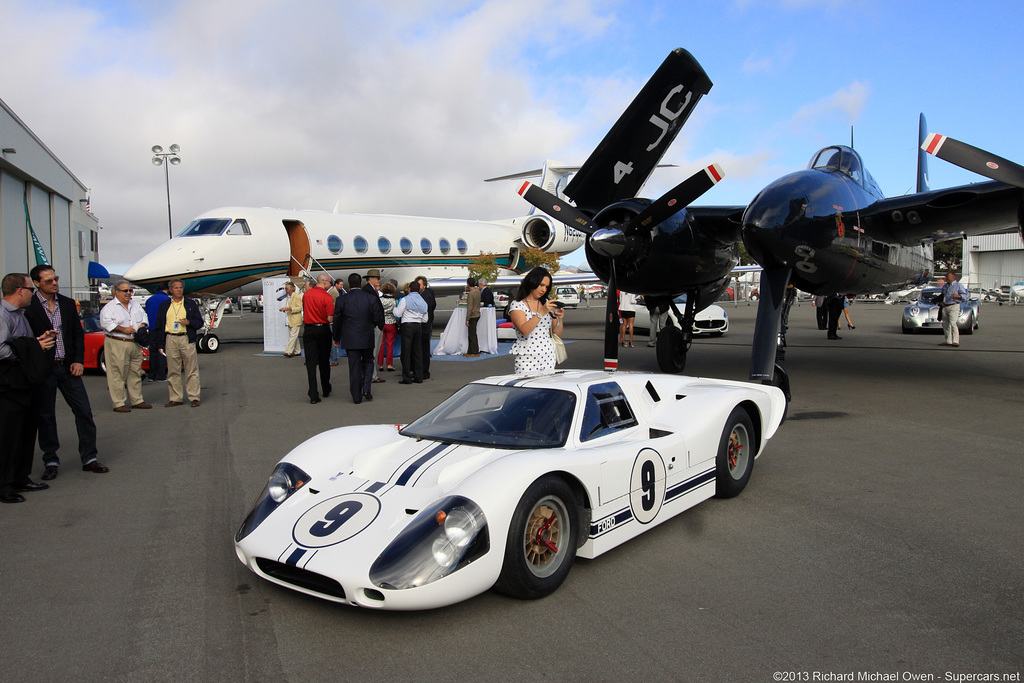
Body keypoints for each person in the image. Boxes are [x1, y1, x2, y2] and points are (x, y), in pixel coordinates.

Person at [26, 265, 107, 479]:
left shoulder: (68, 304)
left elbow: (77, 335)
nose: (54, 283)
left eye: (55, 279)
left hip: (69, 368)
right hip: (45, 370)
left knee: (84, 412)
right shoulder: (30, 307)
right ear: (37, 283)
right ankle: (51, 460)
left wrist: (78, 360)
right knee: (46, 416)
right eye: (48, 280)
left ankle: (89, 458)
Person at [1, 273, 57, 503]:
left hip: (24, 382)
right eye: (30, 289)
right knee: (7, 436)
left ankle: (20, 477)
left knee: (25, 432)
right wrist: (35, 346)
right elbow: (2, 350)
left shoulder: (21, 314)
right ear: (20, 290)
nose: (33, 294)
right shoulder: (3, 315)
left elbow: (22, 342)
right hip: (8, 384)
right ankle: (4, 486)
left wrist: (39, 340)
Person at [99, 281, 151, 412]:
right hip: (117, 342)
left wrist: (142, 326)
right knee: (117, 373)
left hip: (134, 343)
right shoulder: (109, 308)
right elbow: (106, 324)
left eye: (130, 290)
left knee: (135, 372)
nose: (128, 293)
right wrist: (123, 329)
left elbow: (144, 317)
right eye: (125, 291)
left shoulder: (135, 305)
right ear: (116, 292)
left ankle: (137, 400)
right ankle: (118, 403)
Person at [333, 273, 384, 404]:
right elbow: (377, 317)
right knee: (368, 362)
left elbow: (337, 320)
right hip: (366, 335)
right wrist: (370, 325)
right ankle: (366, 389)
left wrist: (336, 337)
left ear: (348, 284)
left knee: (354, 366)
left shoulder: (342, 300)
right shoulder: (370, 298)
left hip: (350, 338)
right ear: (360, 284)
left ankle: (356, 396)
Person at [155, 279, 204, 408]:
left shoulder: (190, 304)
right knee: (173, 370)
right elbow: (159, 325)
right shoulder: (165, 305)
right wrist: (159, 344)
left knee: (191, 369)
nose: (179, 290)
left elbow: (200, 322)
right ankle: (176, 398)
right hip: (171, 338)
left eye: (181, 288)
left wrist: (189, 323)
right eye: (176, 288)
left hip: (186, 338)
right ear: (171, 290)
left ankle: (194, 397)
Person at [508, 267, 563, 375]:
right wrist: (542, 312)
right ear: (532, 282)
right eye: (541, 285)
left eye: (546, 287)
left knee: (546, 389)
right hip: (527, 356)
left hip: (548, 354)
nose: (543, 290)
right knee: (526, 389)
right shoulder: (518, 305)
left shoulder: (545, 303)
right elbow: (524, 330)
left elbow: (556, 333)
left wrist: (559, 318)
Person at [302, 273, 335, 403]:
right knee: (324, 361)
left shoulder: (307, 295)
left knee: (310, 362)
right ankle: (326, 388)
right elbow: (329, 318)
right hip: (323, 329)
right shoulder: (327, 297)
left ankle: (313, 393)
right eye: (329, 282)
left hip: (309, 329)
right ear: (325, 282)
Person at [394, 280, 428, 384]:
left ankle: (407, 377)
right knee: (417, 352)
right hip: (418, 326)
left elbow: (398, 314)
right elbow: (425, 319)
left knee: (406, 352)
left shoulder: (405, 299)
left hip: (407, 326)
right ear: (419, 289)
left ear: (409, 289)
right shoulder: (423, 301)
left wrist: (394, 309)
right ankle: (418, 376)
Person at [362, 269, 386, 384]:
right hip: (373, 326)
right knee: (373, 352)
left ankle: (372, 374)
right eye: (377, 278)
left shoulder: (371, 290)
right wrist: (377, 324)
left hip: (374, 325)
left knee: (374, 352)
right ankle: (372, 375)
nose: (379, 280)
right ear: (371, 279)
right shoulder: (368, 291)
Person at [144, 285, 170, 381]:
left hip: (151, 328)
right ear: (166, 289)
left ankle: (152, 375)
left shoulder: (149, 300)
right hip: (161, 328)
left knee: (153, 352)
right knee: (161, 351)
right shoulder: (167, 300)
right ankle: (161, 375)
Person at [940, 271, 970, 347]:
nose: (946, 278)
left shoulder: (958, 286)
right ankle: (948, 341)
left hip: (954, 305)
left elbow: (965, 296)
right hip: (945, 306)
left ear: (953, 277)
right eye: (946, 277)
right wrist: (941, 302)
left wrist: (959, 296)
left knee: (953, 323)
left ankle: (955, 341)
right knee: (945, 324)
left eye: (948, 277)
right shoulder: (945, 286)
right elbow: (942, 295)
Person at [415, 276, 436, 379]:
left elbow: (428, 308)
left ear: (424, 285)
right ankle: (422, 370)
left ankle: (424, 371)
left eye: (419, 284)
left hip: (425, 325)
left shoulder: (426, 295)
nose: (418, 286)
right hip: (425, 324)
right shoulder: (424, 294)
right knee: (423, 349)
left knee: (424, 349)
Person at [377, 282, 398, 372]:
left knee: (381, 344)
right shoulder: (394, 301)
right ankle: (389, 364)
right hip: (391, 322)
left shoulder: (379, 300)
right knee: (390, 344)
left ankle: (380, 364)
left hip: (382, 323)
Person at [280, 282, 303, 357]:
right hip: (289, 319)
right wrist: (285, 309)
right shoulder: (288, 297)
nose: (285, 290)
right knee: (294, 336)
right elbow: (288, 306)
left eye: (286, 288)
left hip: (295, 319)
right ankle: (297, 351)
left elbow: (299, 308)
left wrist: (291, 309)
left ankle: (288, 351)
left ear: (291, 289)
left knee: (292, 336)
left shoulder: (296, 297)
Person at [328, 278, 345, 366]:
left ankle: (332, 358)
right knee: (333, 339)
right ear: (336, 284)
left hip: (332, 318)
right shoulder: (334, 293)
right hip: (333, 319)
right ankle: (333, 359)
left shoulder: (335, 292)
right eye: (341, 285)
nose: (342, 286)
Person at [464, 277, 481, 357]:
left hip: (472, 316)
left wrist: (467, 318)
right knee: (472, 333)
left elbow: (469, 307)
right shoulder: (477, 292)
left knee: (472, 334)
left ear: (468, 284)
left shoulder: (471, 294)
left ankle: (474, 351)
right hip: (477, 314)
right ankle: (470, 351)